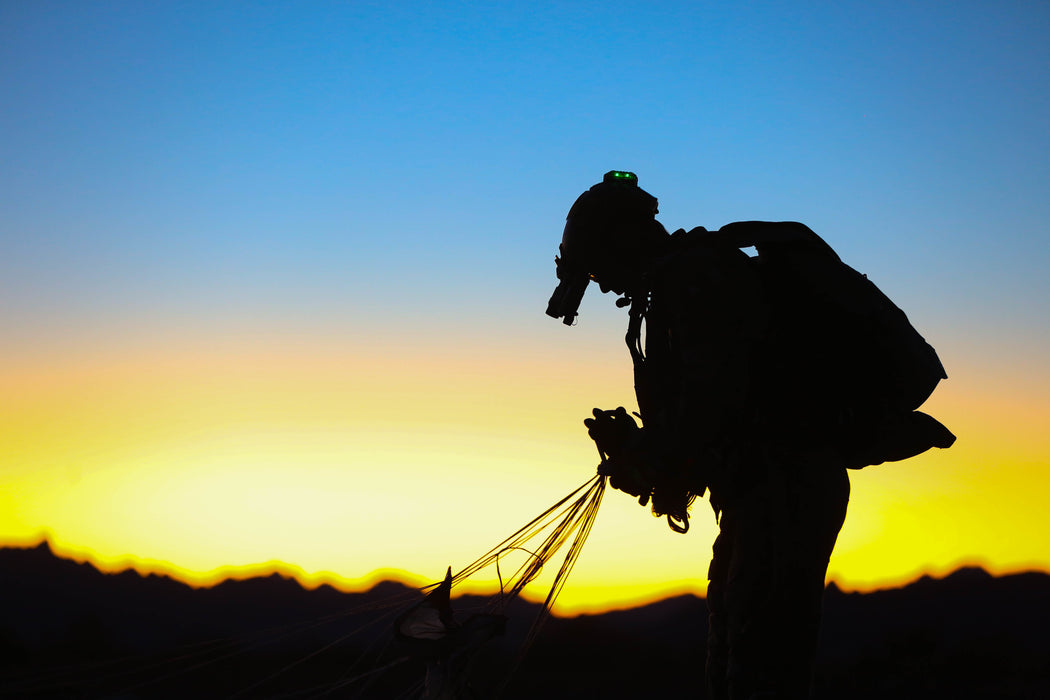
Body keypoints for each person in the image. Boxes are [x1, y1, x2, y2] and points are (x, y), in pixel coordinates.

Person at [545, 171, 955, 699]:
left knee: (760, 671)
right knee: (736, 662)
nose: (601, 284)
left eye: (597, 266)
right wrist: (647, 454)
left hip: (783, 485)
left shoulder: (696, 277)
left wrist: (648, 454)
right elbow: (715, 414)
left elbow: (716, 405)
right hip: (760, 492)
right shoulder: (685, 280)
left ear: (620, 240)